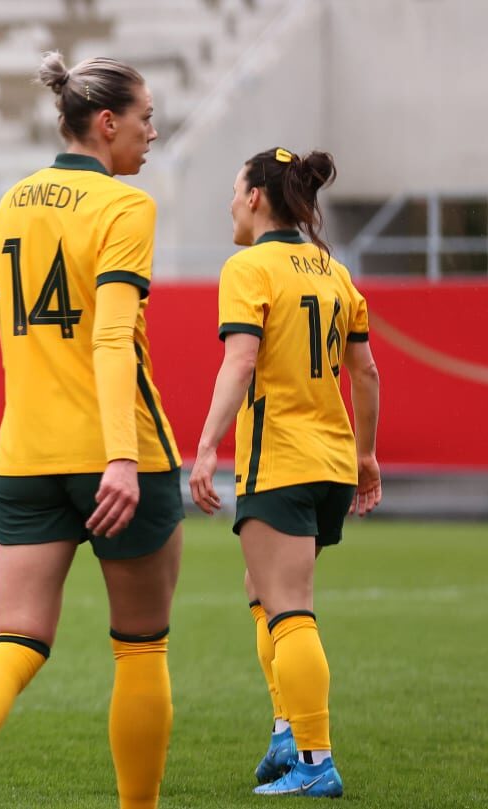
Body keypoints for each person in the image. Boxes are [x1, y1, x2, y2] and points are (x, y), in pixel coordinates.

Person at [0, 52, 183, 809]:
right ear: (106, 122)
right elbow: (108, 338)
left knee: (17, 639)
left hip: (24, 451)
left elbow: (10, 321)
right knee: (140, 643)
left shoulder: (12, 202)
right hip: (117, 451)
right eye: (144, 117)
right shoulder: (126, 208)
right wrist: (122, 458)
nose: (151, 132)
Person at [189, 147, 380, 799]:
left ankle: (313, 755)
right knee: (263, 586)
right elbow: (367, 371)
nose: (228, 202)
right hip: (329, 460)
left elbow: (239, 362)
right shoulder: (332, 269)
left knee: (290, 608)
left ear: (253, 198)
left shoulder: (248, 267)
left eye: (233, 189)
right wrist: (366, 456)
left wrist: (208, 444)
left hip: (280, 458)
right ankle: (283, 728)